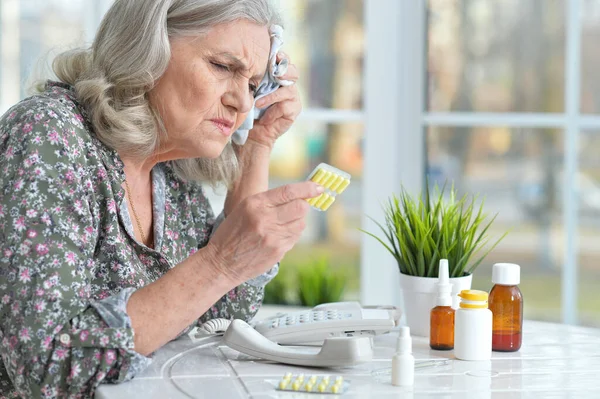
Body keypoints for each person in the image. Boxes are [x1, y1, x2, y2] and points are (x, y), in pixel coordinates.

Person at [0, 0, 322, 397]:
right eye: (223, 67)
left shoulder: (172, 172)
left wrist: (258, 142)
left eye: (254, 85)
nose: (241, 102)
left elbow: (222, 317)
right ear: (146, 49)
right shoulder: (49, 134)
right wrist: (219, 262)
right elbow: (45, 367)